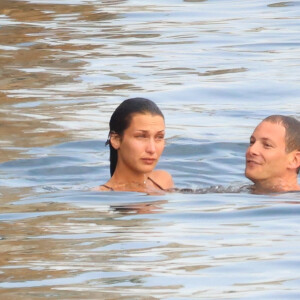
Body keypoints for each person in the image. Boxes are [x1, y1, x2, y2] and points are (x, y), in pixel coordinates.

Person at [96, 97, 174, 193]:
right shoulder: (100, 195)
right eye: (141, 136)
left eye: (159, 137)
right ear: (116, 140)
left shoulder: (163, 181)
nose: (152, 149)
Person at [245, 115, 300, 193]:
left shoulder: (294, 202)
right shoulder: (244, 191)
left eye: (267, 145)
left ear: (294, 160)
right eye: (252, 142)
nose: (251, 150)